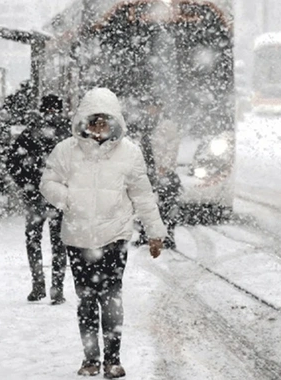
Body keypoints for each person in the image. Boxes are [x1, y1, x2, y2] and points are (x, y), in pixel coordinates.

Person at [40, 88, 166, 378]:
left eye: (104, 122)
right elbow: (48, 182)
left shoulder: (130, 153)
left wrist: (155, 232)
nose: (99, 129)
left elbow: (143, 196)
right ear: (84, 122)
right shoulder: (65, 151)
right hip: (77, 237)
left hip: (114, 237)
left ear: (115, 123)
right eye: (94, 122)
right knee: (86, 299)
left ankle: (113, 358)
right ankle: (90, 359)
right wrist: (68, 199)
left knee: (110, 297)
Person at [7, 94, 71, 304]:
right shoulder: (67, 135)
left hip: (36, 195)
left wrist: (26, 183)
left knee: (34, 241)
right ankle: (56, 288)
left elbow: (12, 161)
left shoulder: (31, 132)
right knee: (58, 243)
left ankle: (38, 285)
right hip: (57, 196)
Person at [132, 96, 181, 249]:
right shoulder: (143, 124)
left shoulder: (167, 124)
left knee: (167, 203)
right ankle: (144, 234)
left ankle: (168, 235)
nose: (150, 110)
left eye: (153, 107)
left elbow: (173, 145)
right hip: (146, 169)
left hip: (162, 170)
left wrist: (165, 165)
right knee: (145, 203)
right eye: (148, 107)